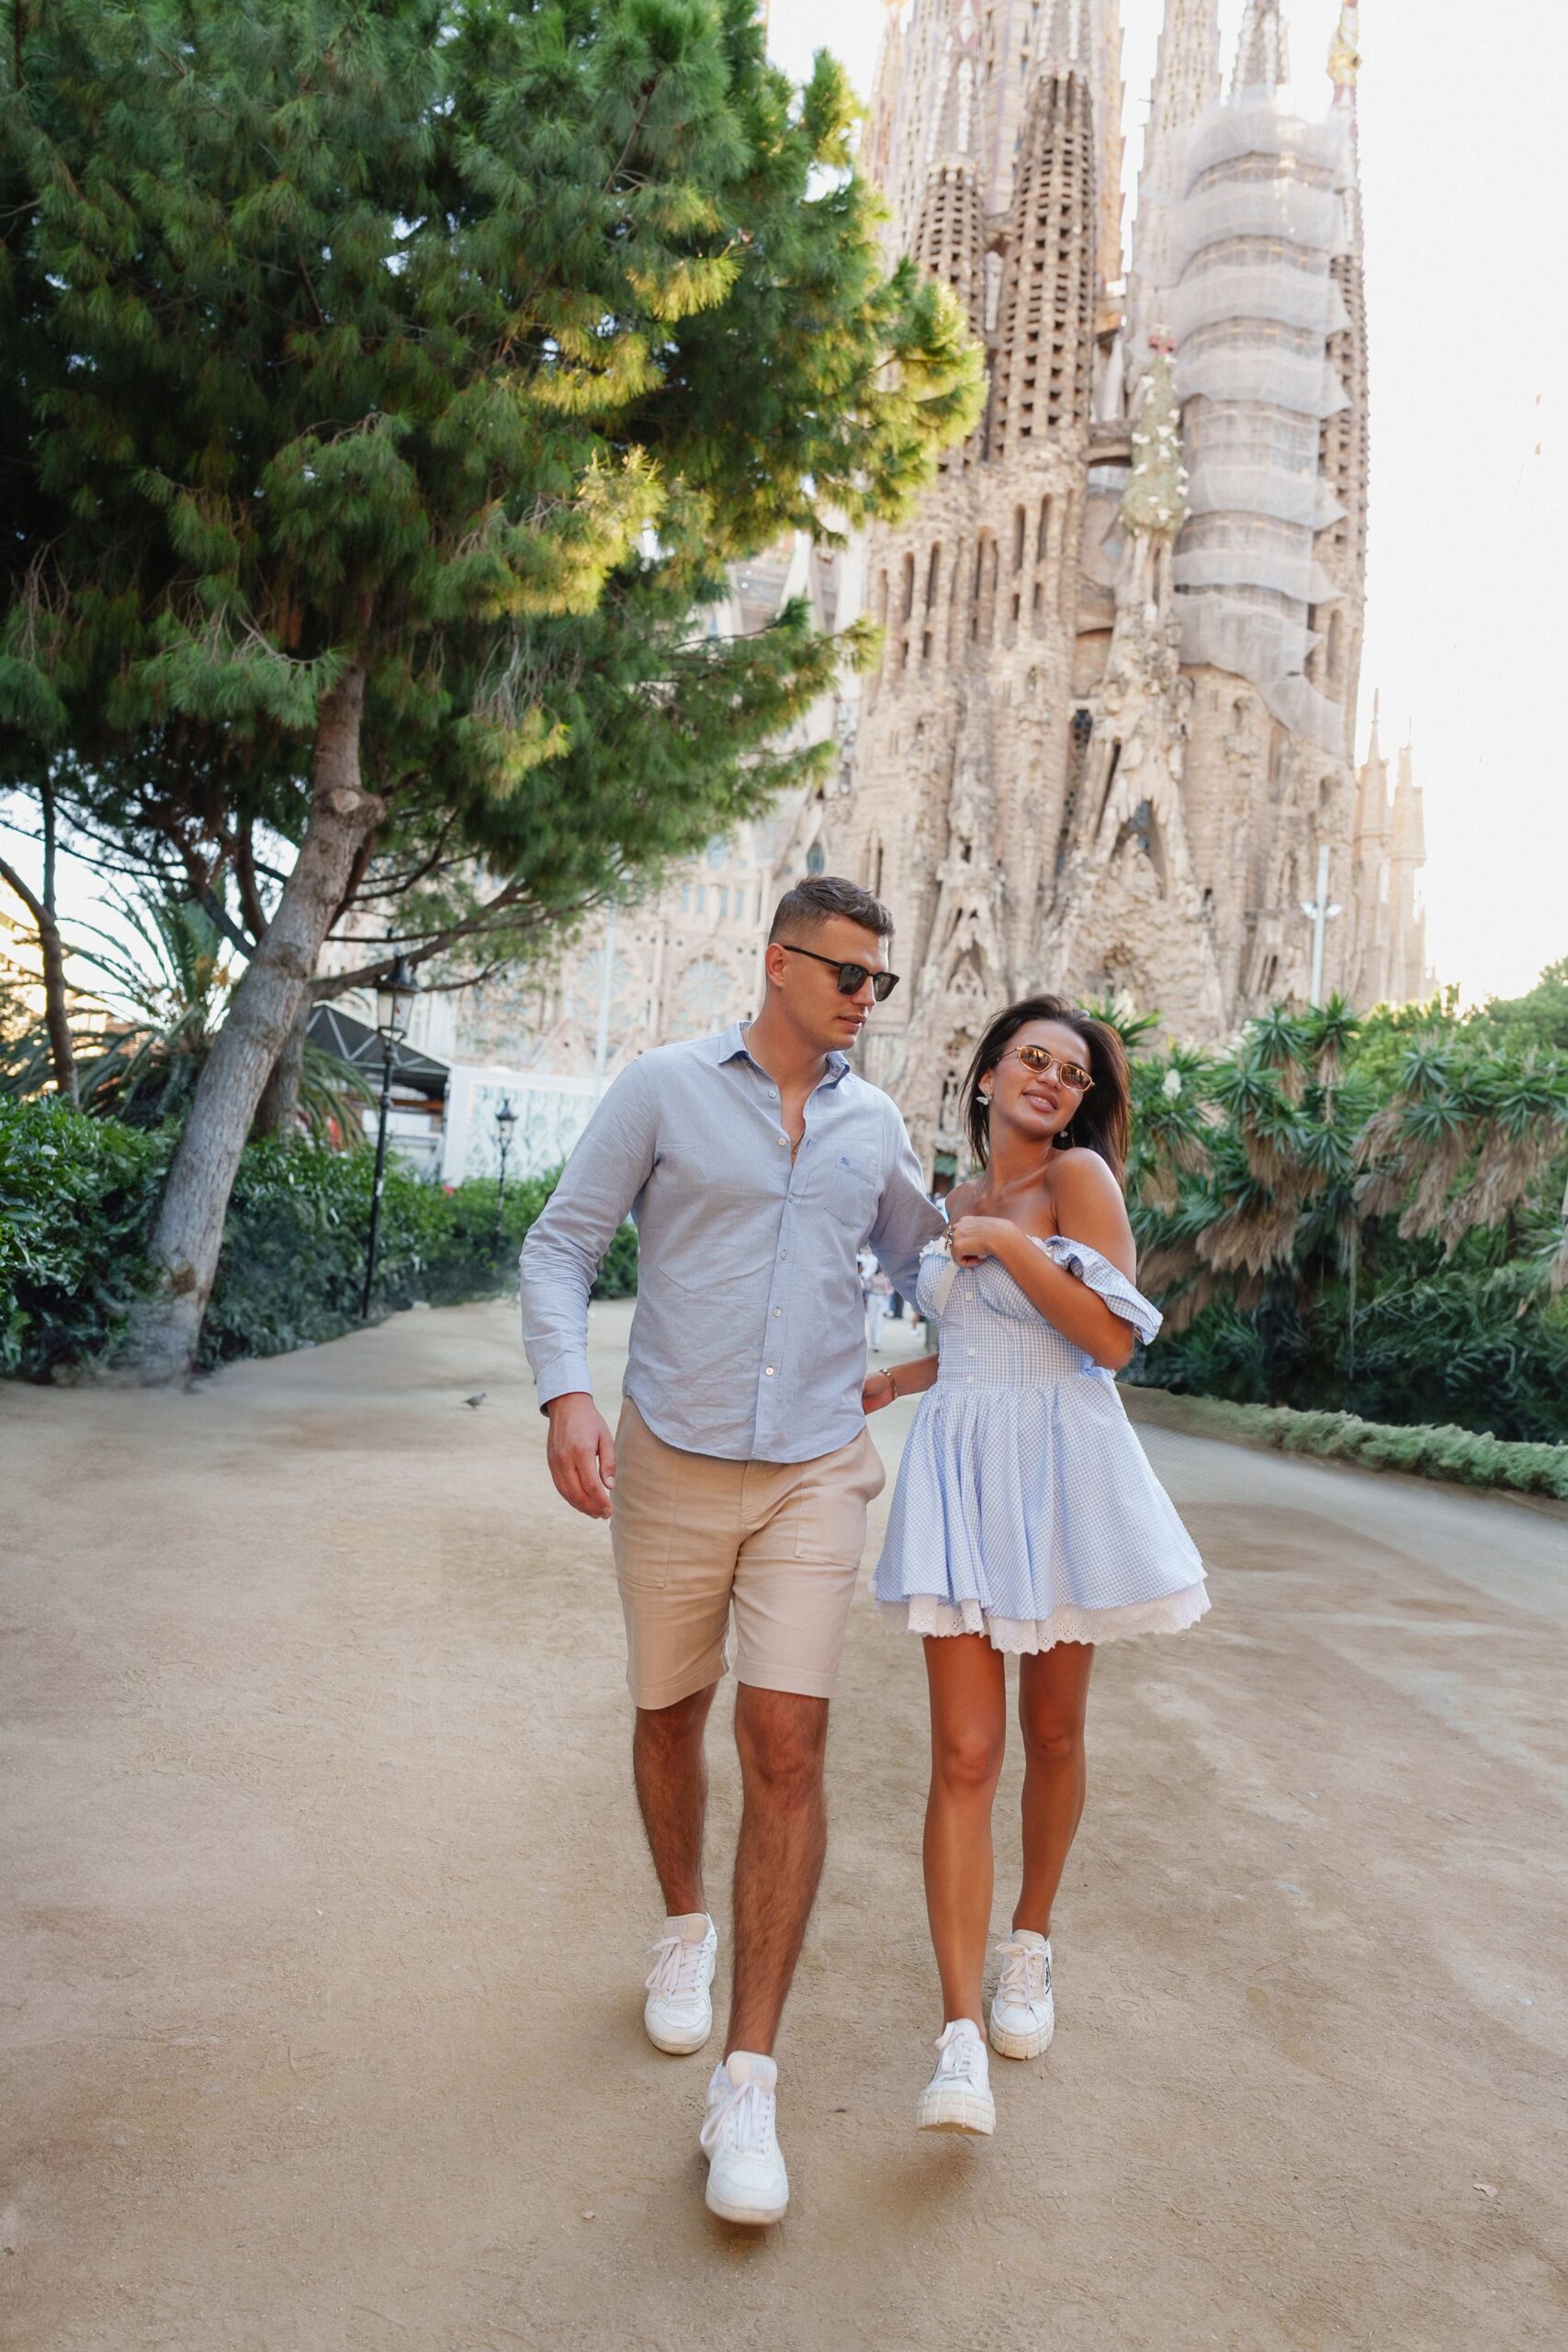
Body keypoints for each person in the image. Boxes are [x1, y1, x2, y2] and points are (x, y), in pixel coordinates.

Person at [520, 876, 941, 2224]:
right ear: (776, 963)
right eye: (848, 977)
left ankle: (746, 2082)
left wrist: (1035, 1253)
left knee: (786, 1743)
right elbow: (560, 1245)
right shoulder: (659, 1088)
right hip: (670, 1461)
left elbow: (929, 1270)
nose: (865, 1002)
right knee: (667, 1714)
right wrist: (564, 1391)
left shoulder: (876, 1125)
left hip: (816, 1471)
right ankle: (683, 1925)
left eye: (880, 983)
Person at [865, 995, 1208, 2137]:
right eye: (1033, 1059)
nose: (1053, 1080)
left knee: (1052, 1734)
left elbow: (1109, 1340)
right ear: (987, 1075)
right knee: (966, 1751)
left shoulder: (1076, 1185)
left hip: (1060, 1470)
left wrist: (1013, 1242)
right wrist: (893, 1384)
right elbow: (973, 1344)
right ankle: (958, 2034)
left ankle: (1031, 1943)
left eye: (1073, 1072)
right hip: (964, 1466)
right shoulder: (950, 1201)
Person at [862, 1252, 894, 1354]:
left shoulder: (888, 1276)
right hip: (873, 1297)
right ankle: (873, 1342)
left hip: (883, 1299)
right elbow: (866, 1286)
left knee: (879, 1322)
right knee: (872, 1321)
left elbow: (891, 1289)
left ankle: (877, 1343)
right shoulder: (872, 1275)